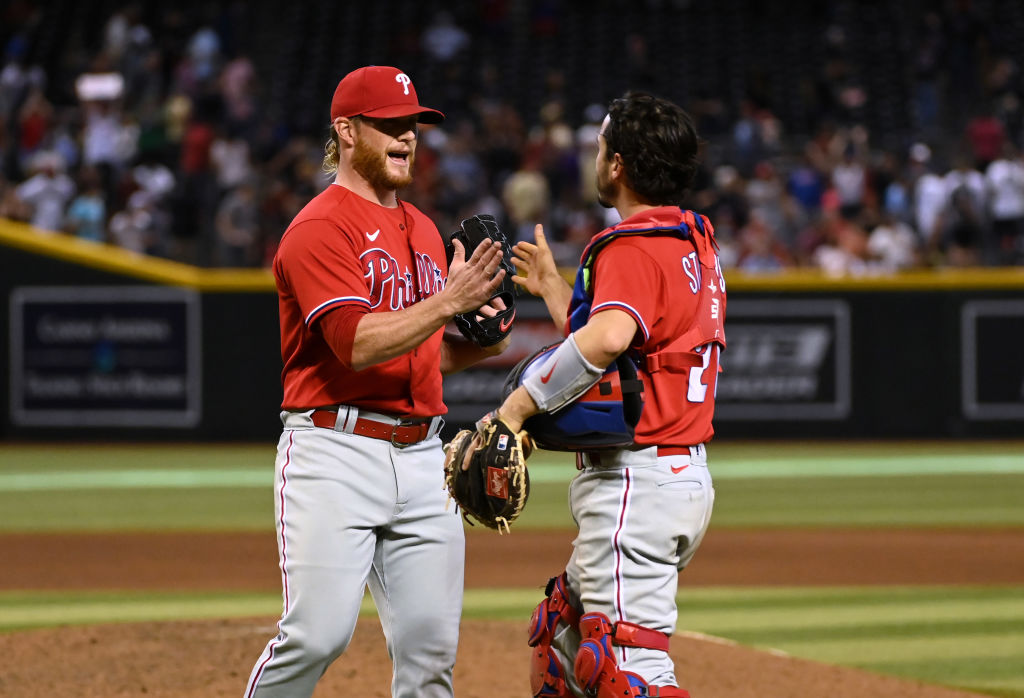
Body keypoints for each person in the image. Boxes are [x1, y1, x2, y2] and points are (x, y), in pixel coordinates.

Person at [244, 65, 511, 698]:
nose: (407, 138)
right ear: (346, 130)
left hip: (425, 459)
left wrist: (489, 337)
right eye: (389, 125)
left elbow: (426, 357)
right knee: (317, 634)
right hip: (334, 454)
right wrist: (449, 302)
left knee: (430, 653)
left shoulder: (421, 228)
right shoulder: (317, 228)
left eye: (413, 125)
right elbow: (357, 343)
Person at [486, 92, 726, 697]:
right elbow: (624, 349)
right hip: (677, 478)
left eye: (598, 147)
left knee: (626, 671)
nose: (593, 157)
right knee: (563, 642)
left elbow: (609, 337)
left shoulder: (633, 244)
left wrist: (515, 410)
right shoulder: (690, 242)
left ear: (617, 165)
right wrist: (554, 290)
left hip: (636, 485)